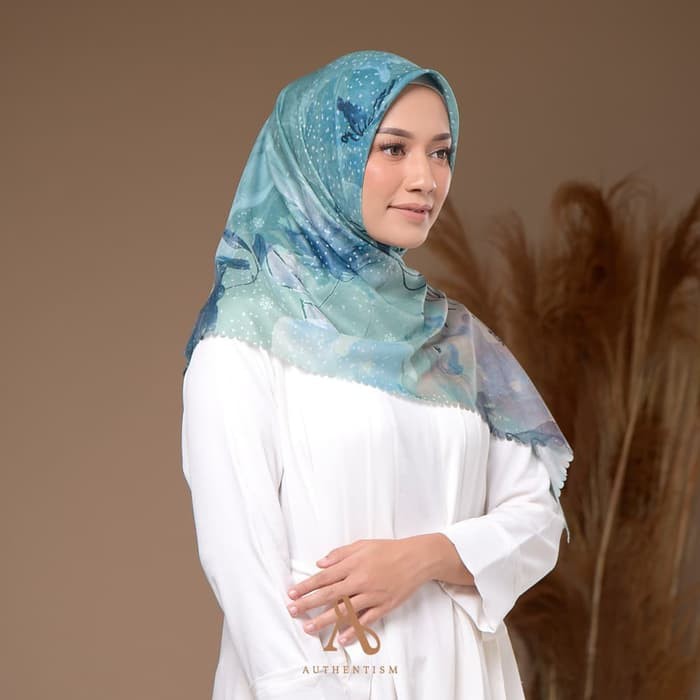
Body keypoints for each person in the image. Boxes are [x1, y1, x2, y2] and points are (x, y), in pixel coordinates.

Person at [180, 49, 573, 700]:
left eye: (441, 152)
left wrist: (426, 556)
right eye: (393, 148)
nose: (425, 178)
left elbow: (537, 520)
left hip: (463, 677)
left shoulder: (454, 340)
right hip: (326, 675)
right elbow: (241, 563)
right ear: (321, 158)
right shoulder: (244, 339)